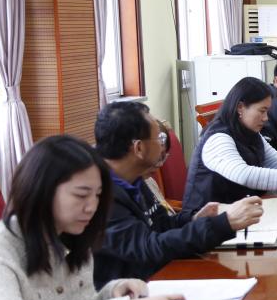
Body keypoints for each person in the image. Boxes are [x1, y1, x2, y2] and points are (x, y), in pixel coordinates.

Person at [0, 136, 191, 300]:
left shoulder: (74, 236)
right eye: (81, 195)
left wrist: (111, 293)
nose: (92, 207)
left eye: (97, 195)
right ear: (41, 190)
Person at [92, 102, 264, 287]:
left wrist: (194, 219)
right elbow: (148, 249)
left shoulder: (133, 178)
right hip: (130, 293)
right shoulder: (98, 194)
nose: (163, 145)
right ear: (138, 148)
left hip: (157, 280)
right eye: (158, 138)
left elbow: (161, 225)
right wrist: (223, 224)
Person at [182, 77, 277, 213]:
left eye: (267, 111)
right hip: (207, 222)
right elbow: (243, 174)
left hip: (239, 215)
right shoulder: (218, 137)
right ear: (240, 107)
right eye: (262, 111)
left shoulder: (251, 133)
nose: (266, 118)